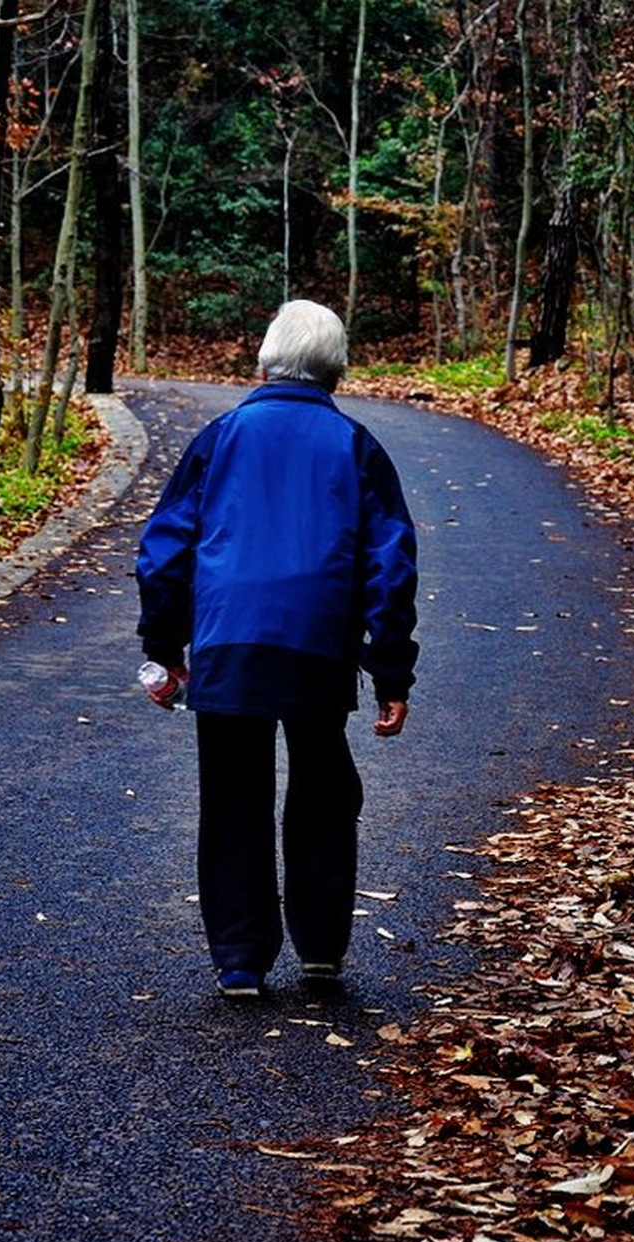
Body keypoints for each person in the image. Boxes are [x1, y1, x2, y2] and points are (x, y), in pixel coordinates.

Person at [135, 299, 418, 998]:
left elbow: (164, 550)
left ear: (263, 363)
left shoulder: (221, 438)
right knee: (324, 790)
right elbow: (391, 566)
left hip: (229, 640)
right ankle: (320, 949)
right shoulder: (355, 446)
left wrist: (164, 644)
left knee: (232, 794)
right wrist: (390, 670)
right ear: (337, 372)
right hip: (318, 643)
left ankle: (240, 959)